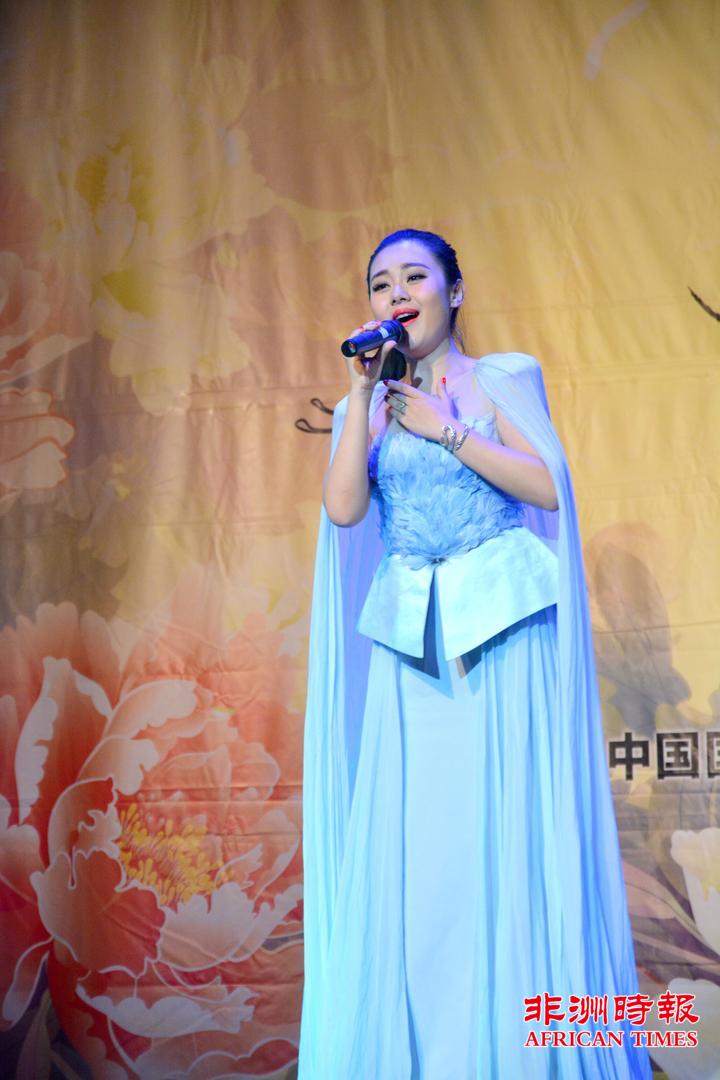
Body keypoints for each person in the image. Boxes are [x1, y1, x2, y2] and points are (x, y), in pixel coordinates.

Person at [298, 229, 652, 1079]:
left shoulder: (502, 378)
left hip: (501, 641)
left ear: (454, 291)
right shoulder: (363, 404)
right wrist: (363, 398)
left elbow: (548, 487)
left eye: (414, 276)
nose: (396, 293)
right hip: (412, 655)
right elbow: (344, 511)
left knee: (503, 846)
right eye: (381, 282)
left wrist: (449, 432)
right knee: (423, 861)